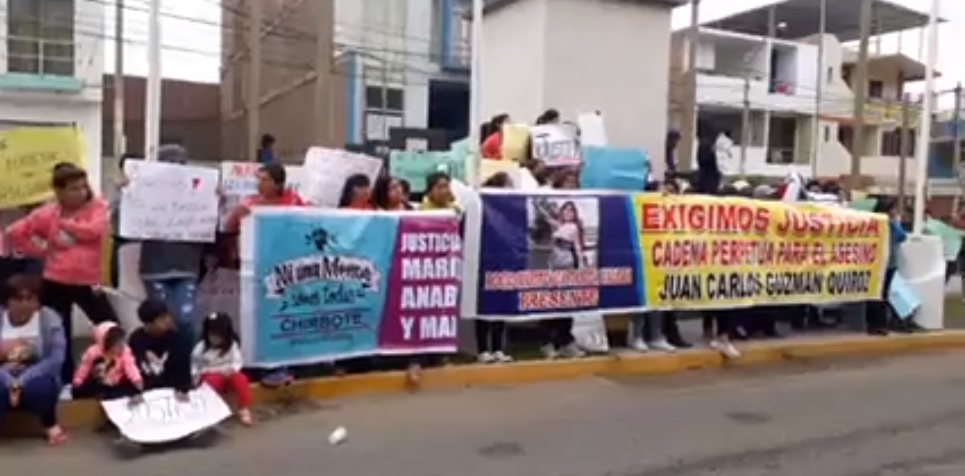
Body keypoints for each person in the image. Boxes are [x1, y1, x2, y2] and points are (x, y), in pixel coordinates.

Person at [5, 164, 117, 386]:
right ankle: (65, 380)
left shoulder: (96, 206)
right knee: (58, 333)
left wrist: (65, 224)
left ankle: (114, 373)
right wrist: (40, 250)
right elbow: (14, 232)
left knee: (110, 327)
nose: (81, 192)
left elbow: (95, 230)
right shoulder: (47, 213)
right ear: (59, 191)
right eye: (74, 188)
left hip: (87, 281)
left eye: (83, 187)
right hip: (56, 280)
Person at [224, 163, 303, 386]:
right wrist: (236, 216)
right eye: (258, 179)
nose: (259, 183)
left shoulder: (294, 202)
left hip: (288, 272)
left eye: (265, 179)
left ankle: (282, 367)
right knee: (258, 319)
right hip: (257, 273)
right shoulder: (249, 204)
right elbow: (229, 228)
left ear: (278, 183)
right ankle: (258, 365)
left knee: (283, 319)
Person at [136, 145, 206, 345]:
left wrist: (217, 199)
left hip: (187, 266)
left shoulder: (198, 190)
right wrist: (127, 192)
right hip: (155, 268)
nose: (175, 168)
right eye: (169, 163)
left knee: (185, 319)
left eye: (180, 163)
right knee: (161, 322)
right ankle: (164, 359)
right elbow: (122, 224)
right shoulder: (146, 192)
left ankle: (185, 359)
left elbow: (213, 224)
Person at [0, 274, 68, 445]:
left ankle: (49, 423)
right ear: (7, 302)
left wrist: (21, 380)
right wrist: (8, 379)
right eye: (18, 299)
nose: (25, 304)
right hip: (3, 375)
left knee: (41, 388)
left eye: (30, 299)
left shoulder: (50, 319)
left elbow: (56, 359)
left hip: (37, 376)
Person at [476, 173, 513, 363]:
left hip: (502, 262)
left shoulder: (509, 210)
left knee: (501, 307)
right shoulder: (482, 206)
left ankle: (498, 348)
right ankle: (483, 349)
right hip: (484, 261)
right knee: (483, 307)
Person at [193, 312, 252, 426]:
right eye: (211, 335)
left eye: (218, 335)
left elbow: (237, 361)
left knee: (241, 379)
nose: (214, 338)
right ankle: (210, 411)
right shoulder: (200, 348)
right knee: (211, 382)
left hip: (228, 374)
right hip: (210, 374)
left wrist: (232, 369)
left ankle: (243, 408)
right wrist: (198, 377)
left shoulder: (232, 346)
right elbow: (195, 365)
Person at [129, 298, 193, 395]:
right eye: (162, 318)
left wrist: (183, 390)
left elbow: (183, 373)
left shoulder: (178, 338)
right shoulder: (136, 339)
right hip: (147, 392)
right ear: (148, 324)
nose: (168, 320)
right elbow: (133, 369)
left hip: (173, 391)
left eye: (168, 316)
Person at [71, 322, 143, 400]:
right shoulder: (93, 352)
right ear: (107, 343)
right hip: (100, 382)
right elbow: (84, 367)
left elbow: (131, 366)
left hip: (117, 381)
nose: (122, 346)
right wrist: (78, 380)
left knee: (131, 388)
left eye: (123, 342)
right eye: (118, 344)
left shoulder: (124, 351)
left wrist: (136, 380)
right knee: (81, 390)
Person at [868, 198, 908, 336]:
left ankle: (876, 324)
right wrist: (895, 222)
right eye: (893, 209)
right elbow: (902, 236)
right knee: (881, 294)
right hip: (883, 264)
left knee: (880, 294)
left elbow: (902, 237)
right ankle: (878, 324)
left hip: (885, 264)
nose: (895, 212)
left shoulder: (879, 223)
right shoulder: (888, 224)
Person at [694, 121, 722, 195]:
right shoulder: (707, 145)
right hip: (709, 180)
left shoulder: (705, 145)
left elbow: (704, 162)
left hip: (707, 182)